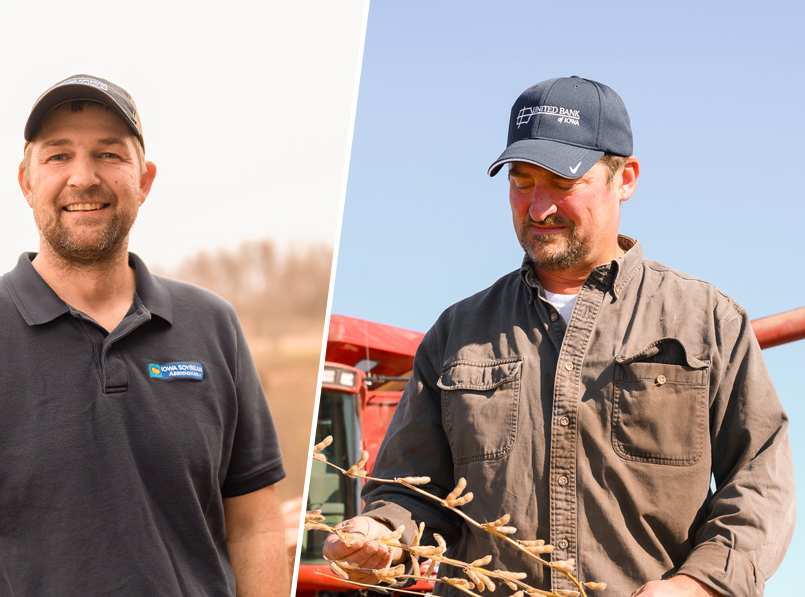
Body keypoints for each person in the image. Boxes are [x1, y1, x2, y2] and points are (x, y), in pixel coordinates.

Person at [323, 76, 795, 597]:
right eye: (521, 182)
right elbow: (409, 492)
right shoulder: (456, 334)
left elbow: (757, 482)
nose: (538, 207)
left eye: (562, 183)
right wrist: (380, 533)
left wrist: (699, 585)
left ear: (627, 178)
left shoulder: (708, 322)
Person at [0, 74, 289, 596]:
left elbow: (255, 524)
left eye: (109, 154)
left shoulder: (213, 325)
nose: (83, 177)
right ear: (26, 181)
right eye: (57, 156)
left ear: (145, 179)